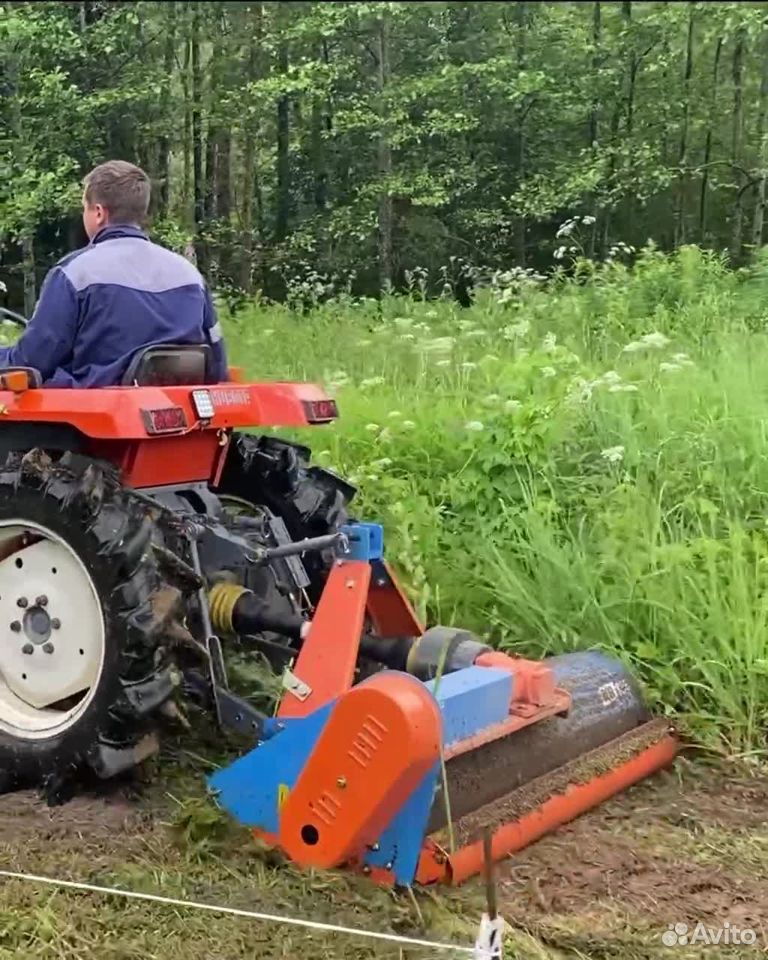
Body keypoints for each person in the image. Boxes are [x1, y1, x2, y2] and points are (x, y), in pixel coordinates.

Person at [0, 160, 227, 387]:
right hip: (179, 411)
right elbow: (217, 364)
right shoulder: (189, 274)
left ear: (98, 213)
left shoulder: (75, 273)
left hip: (91, 415)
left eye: (84, 208)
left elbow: (30, 362)